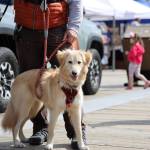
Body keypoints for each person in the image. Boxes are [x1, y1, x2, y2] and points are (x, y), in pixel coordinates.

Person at [13, 0, 86, 149]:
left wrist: (73, 27)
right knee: (33, 84)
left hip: (58, 29)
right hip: (26, 30)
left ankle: (76, 134)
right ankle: (40, 128)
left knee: (71, 80)